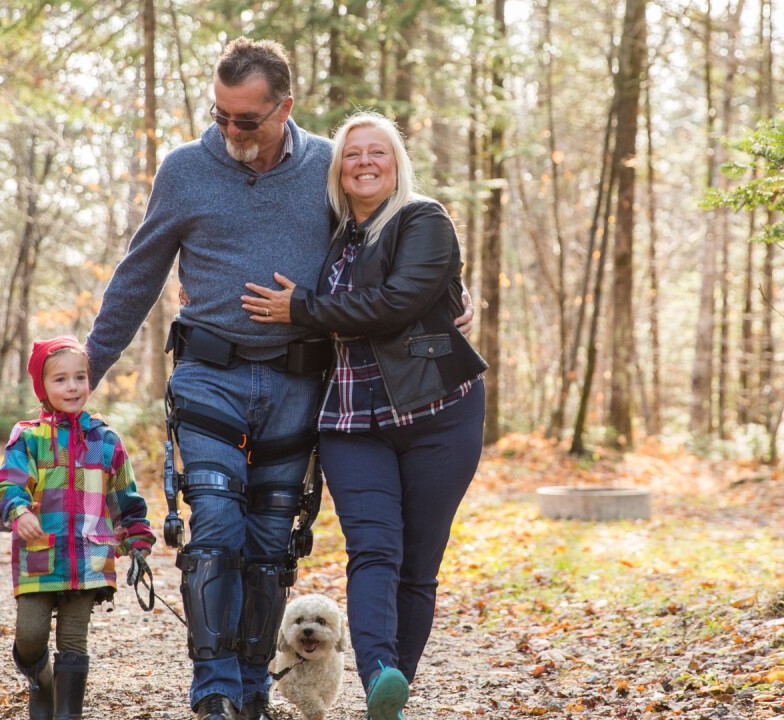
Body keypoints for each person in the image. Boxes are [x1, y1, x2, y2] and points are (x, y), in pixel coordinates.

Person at [84, 37, 335, 720]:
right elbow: (139, 273)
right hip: (210, 375)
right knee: (216, 525)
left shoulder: (331, 167)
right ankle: (214, 686)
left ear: (285, 106)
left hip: (294, 383)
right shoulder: (187, 170)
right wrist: (87, 366)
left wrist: (443, 297)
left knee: (269, 540)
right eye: (220, 115)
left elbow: (384, 248)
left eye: (246, 120)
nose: (229, 132)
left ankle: (254, 686)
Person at [242, 111, 488, 720]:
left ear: (397, 162)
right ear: (339, 170)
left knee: (419, 562)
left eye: (378, 152)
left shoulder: (422, 218)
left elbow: (398, 303)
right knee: (374, 550)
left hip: (438, 411)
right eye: (352, 155)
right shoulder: (333, 234)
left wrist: (302, 307)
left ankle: (391, 697)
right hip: (351, 417)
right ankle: (379, 672)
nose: (365, 163)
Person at [0, 336, 156, 720]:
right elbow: (8, 483)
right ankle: (41, 678)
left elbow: (124, 498)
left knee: (73, 640)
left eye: (80, 378)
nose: (72, 387)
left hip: (90, 556)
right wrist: (19, 511)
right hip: (40, 555)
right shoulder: (29, 438)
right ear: (43, 387)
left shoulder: (106, 440)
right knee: (30, 636)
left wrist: (136, 540)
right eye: (61, 379)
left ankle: (68, 714)